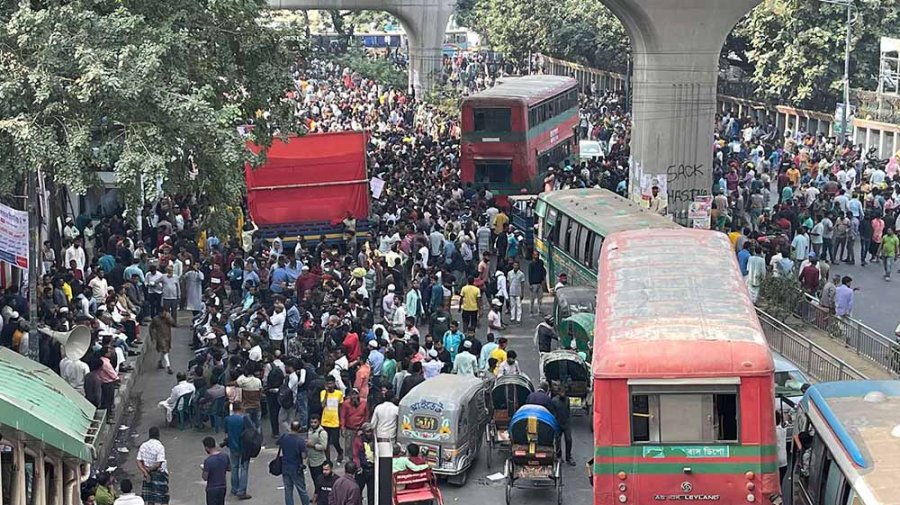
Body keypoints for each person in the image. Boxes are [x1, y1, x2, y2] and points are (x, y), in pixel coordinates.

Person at [278, 421, 312, 505]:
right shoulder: (300, 441)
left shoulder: (284, 437)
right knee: (301, 489)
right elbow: (304, 456)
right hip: (296, 467)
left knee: (288, 489)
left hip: (285, 466)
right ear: (299, 429)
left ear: (290, 427)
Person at [224, 402, 251, 499]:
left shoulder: (228, 419)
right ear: (240, 408)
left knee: (234, 468)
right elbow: (251, 432)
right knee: (244, 468)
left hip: (232, 446)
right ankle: (242, 490)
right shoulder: (244, 418)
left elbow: (226, 433)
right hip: (243, 447)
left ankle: (234, 488)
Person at [136, 427, 169, 505]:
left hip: (147, 474)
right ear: (158, 436)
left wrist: (145, 472)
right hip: (159, 474)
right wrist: (151, 469)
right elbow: (159, 463)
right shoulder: (160, 447)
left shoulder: (143, 446)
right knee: (163, 497)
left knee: (150, 498)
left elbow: (138, 461)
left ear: (149, 435)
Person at [320, 376, 344, 463]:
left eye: (331, 383)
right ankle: (328, 460)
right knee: (326, 443)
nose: (330, 385)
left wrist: (341, 421)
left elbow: (341, 408)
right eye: (328, 383)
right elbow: (322, 405)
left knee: (335, 441)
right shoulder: (323, 393)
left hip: (335, 421)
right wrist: (326, 393)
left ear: (334, 384)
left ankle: (340, 451)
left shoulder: (339, 393)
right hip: (325, 421)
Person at [550, 387, 575, 466]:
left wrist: (568, 421)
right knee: (558, 441)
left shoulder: (567, 400)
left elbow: (568, 411)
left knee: (569, 440)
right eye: (561, 392)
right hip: (558, 423)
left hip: (566, 423)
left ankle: (568, 457)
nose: (563, 394)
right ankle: (559, 456)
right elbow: (552, 412)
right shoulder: (554, 401)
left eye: (564, 392)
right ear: (558, 393)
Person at [201, 436, 229, 505]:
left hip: (212, 488)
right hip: (223, 486)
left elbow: (205, 478)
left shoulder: (208, 461)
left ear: (206, 448)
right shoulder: (225, 456)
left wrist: (203, 469)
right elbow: (229, 468)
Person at [150, 305, 176, 374]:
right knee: (165, 351)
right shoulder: (155, 319)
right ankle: (168, 366)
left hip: (168, 336)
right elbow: (151, 328)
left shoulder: (168, 318)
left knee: (165, 351)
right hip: (160, 337)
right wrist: (153, 337)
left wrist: (169, 318)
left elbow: (174, 324)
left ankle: (160, 362)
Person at [307, 415, 329, 485]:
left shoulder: (322, 433)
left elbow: (323, 446)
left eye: (315, 422)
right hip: (311, 461)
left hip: (319, 461)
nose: (313, 424)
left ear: (319, 422)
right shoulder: (310, 430)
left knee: (319, 480)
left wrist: (313, 445)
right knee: (314, 480)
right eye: (311, 422)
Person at [776, 411, 788, 484]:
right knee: (780, 483)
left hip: (775, 463)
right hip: (784, 462)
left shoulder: (772, 431)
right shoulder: (783, 430)